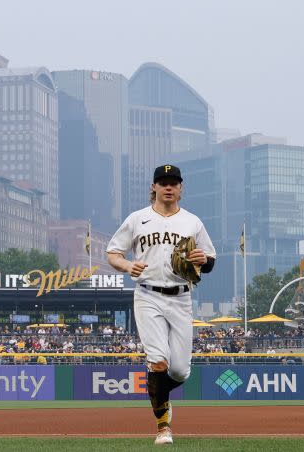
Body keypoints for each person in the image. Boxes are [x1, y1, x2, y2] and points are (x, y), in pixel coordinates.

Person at [107, 164, 217, 445]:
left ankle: (160, 395)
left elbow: (210, 261)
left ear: (180, 189)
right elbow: (112, 252)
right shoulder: (137, 219)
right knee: (158, 362)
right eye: (163, 182)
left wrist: (202, 261)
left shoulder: (192, 222)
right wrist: (127, 265)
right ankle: (163, 427)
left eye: (173, 182)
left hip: (181, 297)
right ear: (153, 187)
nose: (168, 187)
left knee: (179, 370)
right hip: (147, 295)